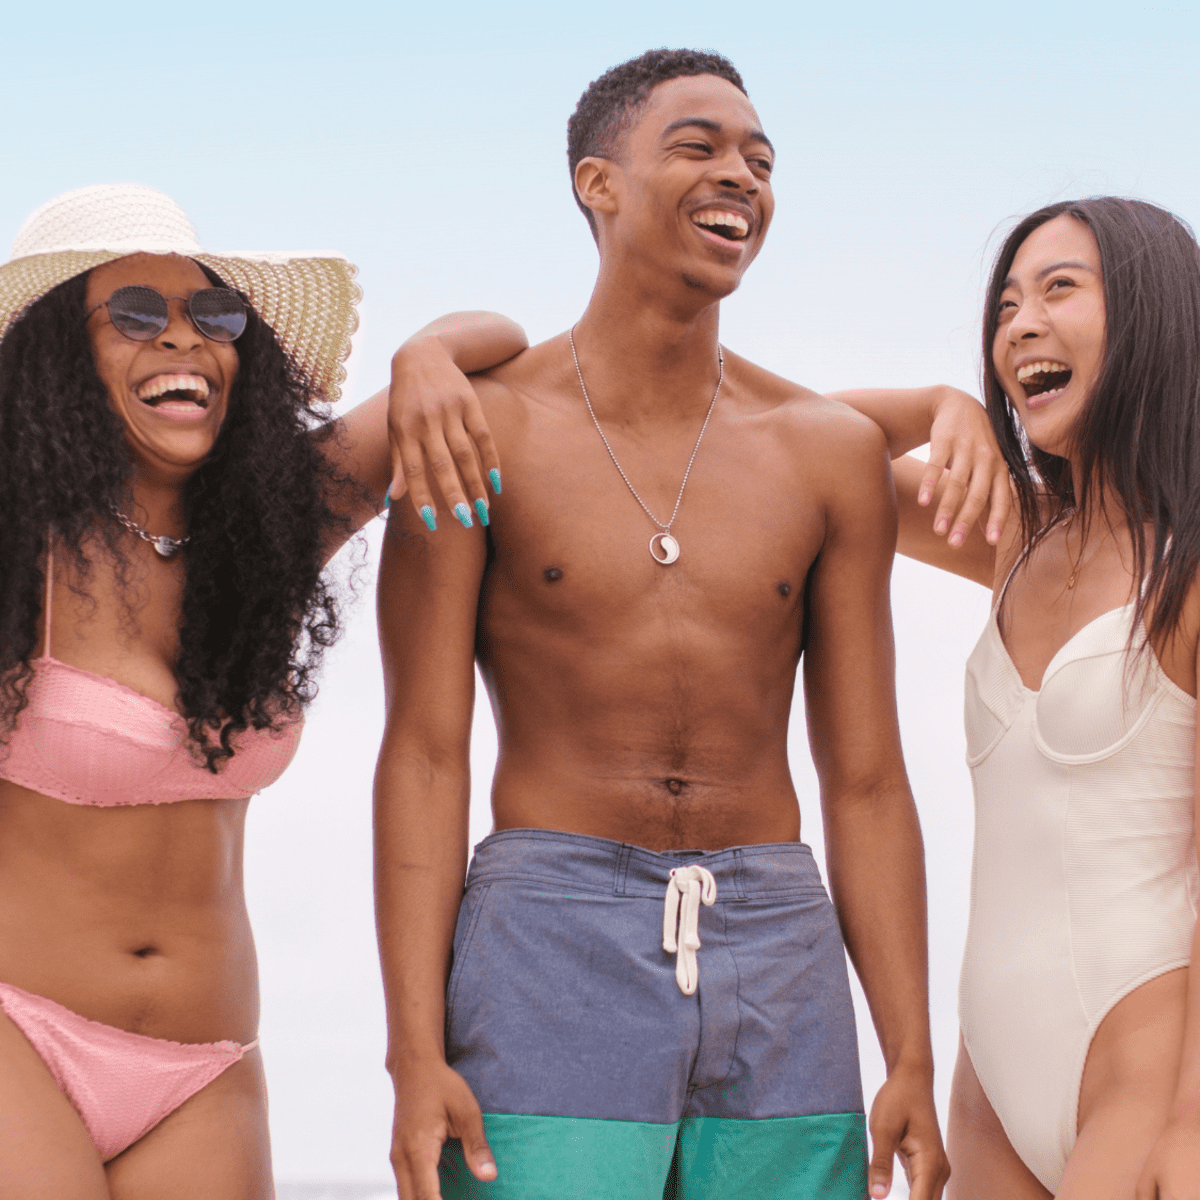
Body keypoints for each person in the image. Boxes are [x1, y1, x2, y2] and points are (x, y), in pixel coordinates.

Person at [374, 48, 953, 1200]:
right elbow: (427, 752)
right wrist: (411, 1053)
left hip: (782, 944)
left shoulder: (827, 452)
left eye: (761, 160)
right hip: (549, 932)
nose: (740, 175)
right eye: (698, 146)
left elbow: (870, 778)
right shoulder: (480, 428)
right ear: (598, 183)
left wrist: (910, 1053)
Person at [0, 183, 523, 1198]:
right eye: (138, 315)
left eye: (216, 315)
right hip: (18, 1028)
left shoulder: (270, 532)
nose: (184, 341)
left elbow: (500, 339)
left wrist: (422, 355)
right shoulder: (18, 553)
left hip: (207, 1066)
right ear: (59, 356)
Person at [841, 197, 1200, 1199]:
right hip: (991, 1071)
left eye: (1059, 289)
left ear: (1154, 317)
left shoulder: (1192, 567)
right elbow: (798, 447)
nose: (1019, 326)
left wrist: (1191, 1123)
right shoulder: (1011, 534)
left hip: (1147, 1062)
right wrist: (932, 408)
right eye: (1005, 305)